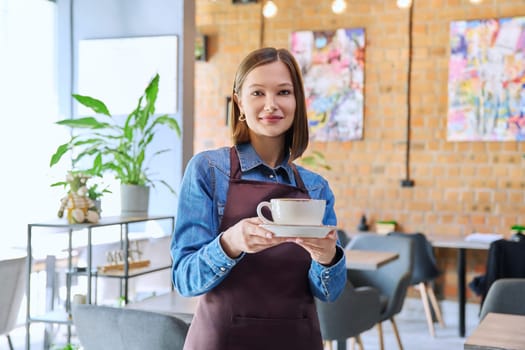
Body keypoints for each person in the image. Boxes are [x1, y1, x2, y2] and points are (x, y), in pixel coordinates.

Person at [171, 47, 347, 350]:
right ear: (239, 101)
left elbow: (329, 293)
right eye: (257, 93)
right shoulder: (208, 171)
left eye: (283, 92)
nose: (271, 104)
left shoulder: (317, 188)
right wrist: (231, 243)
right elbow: (184, 279)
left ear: (296, 102)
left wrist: (327, 257)